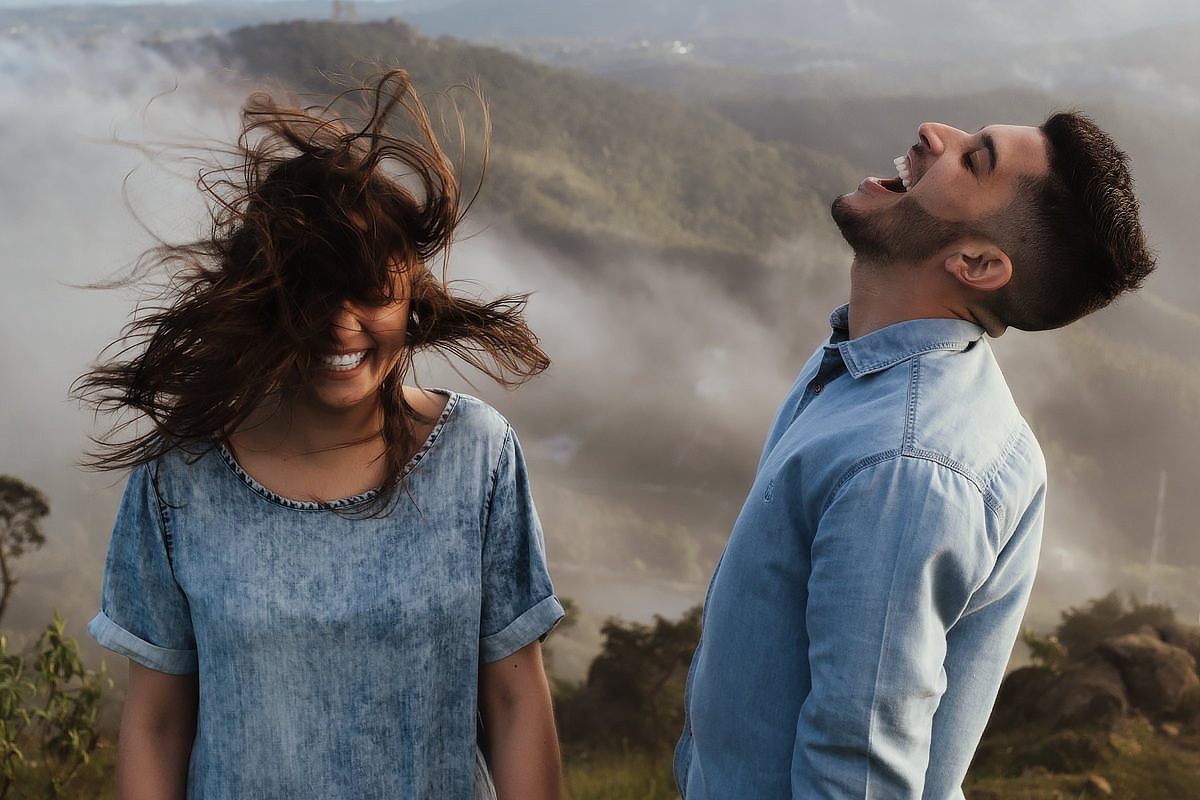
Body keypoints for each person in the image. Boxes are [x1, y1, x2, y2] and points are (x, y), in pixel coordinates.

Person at [76, 70, 564, 800]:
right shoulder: (181, 473)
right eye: (307, 289)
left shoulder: (478, 454)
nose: (340, 322)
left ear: (412, 297)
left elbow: (515, 697)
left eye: (369, 289)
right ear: (264, 297)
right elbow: (155, 721)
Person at [675, 112, 1155, 799]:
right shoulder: (861, 375)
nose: (936, 132)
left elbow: (860, 777)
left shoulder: (906, 466)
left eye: (974, 159)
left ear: (980, 264)